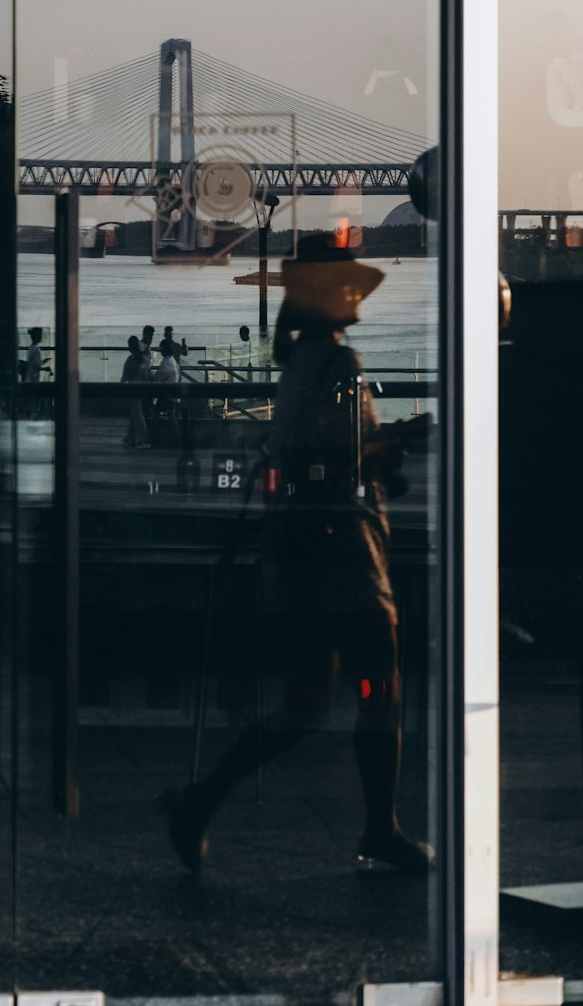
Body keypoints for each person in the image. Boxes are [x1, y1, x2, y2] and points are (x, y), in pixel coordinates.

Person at [157, 233, 433, 877]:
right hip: (344, 555)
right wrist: (391, 448)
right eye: (346, 286)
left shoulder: (301, 363)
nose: (355, 295)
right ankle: (380, 829)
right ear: (329, 297)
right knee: (378, 689)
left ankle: (200, 802)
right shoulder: (338, 363)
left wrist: (376, 451)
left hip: (300, 552)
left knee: (306, 704)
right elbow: (330, 462)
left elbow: (308, 455)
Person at [121, 334, 150, 448]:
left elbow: (125, 377)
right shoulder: (144, 358)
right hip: (143, 388)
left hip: (133, 389)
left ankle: (144, 440)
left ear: (130, 347)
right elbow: (147, 374)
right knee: (135, 413)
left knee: (137, 415)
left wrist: (118, 389)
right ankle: (130, 437)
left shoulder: (130, 360)